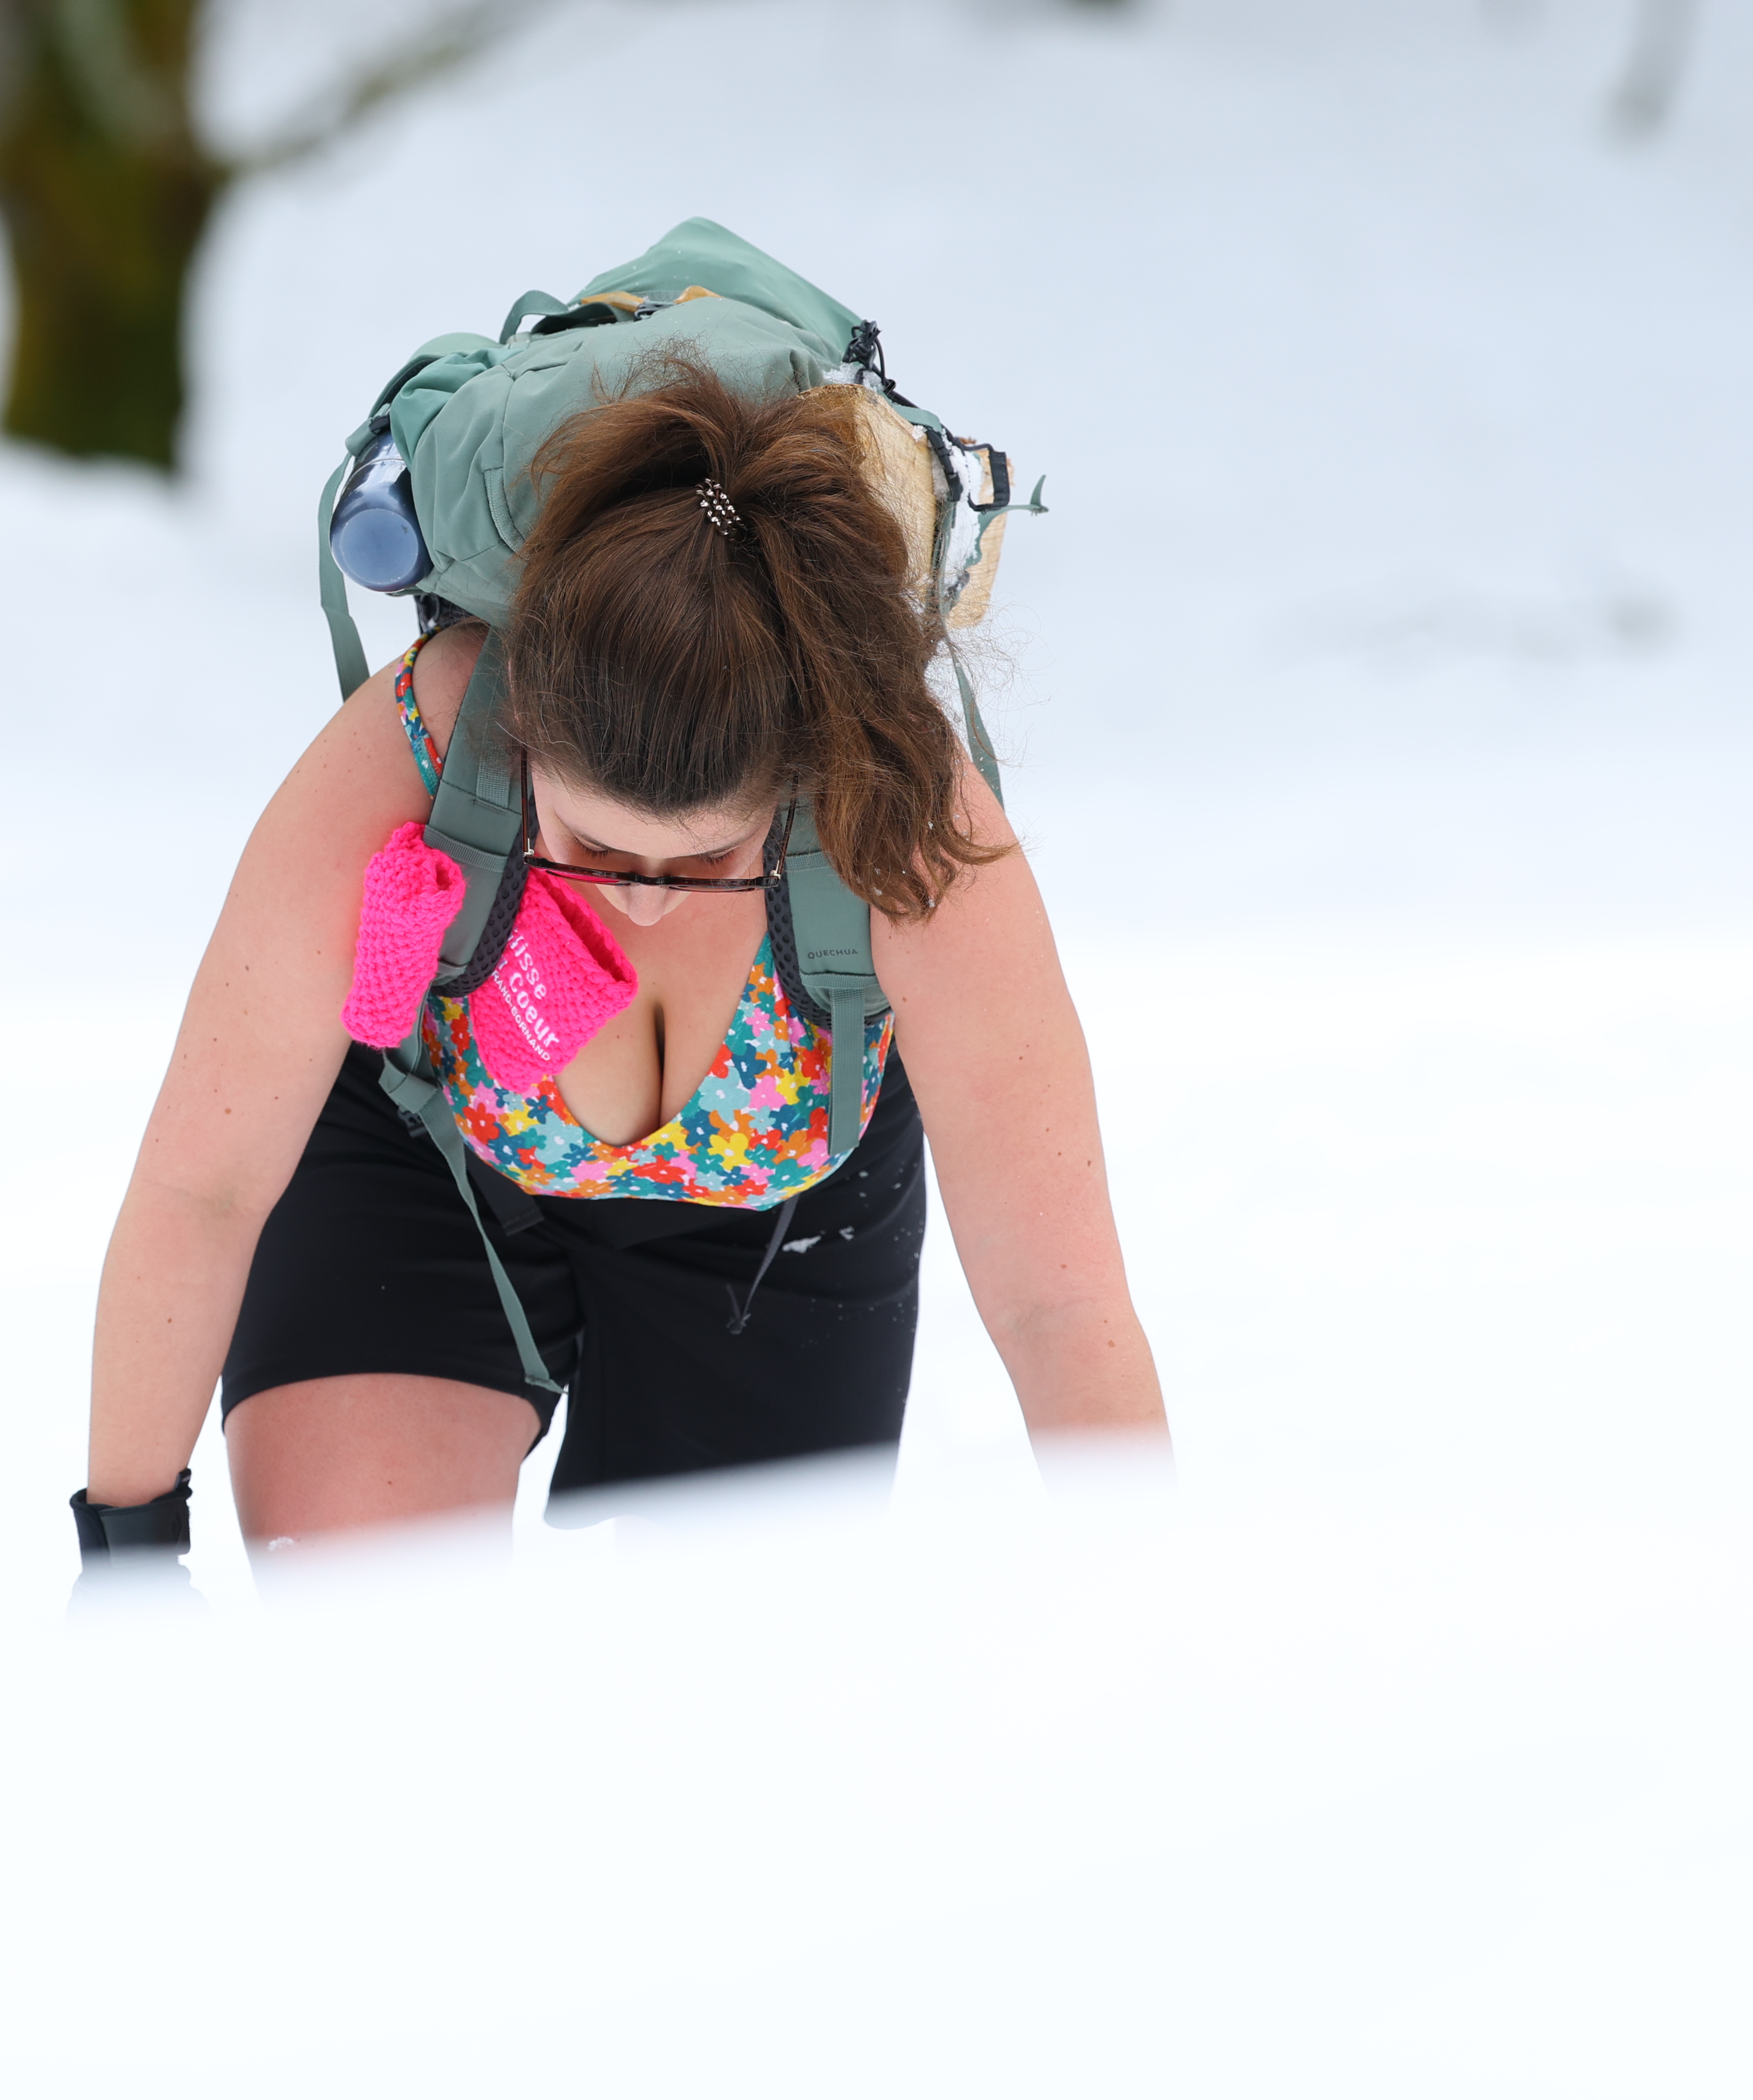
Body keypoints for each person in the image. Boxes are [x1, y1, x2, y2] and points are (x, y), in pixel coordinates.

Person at [75, 356, 1163, 1566]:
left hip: (779, 1226)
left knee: (715, 1681)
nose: (643, 899)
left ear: (801, 778)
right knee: (368, 1623)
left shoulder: (897, 816)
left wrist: (1148, 1599)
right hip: (422, 1162)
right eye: (593, 846)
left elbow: (1058, 1300)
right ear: (521, 737)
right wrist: (127, 1554)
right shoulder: (422, 745)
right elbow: (202, 1190)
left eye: (707, 859)